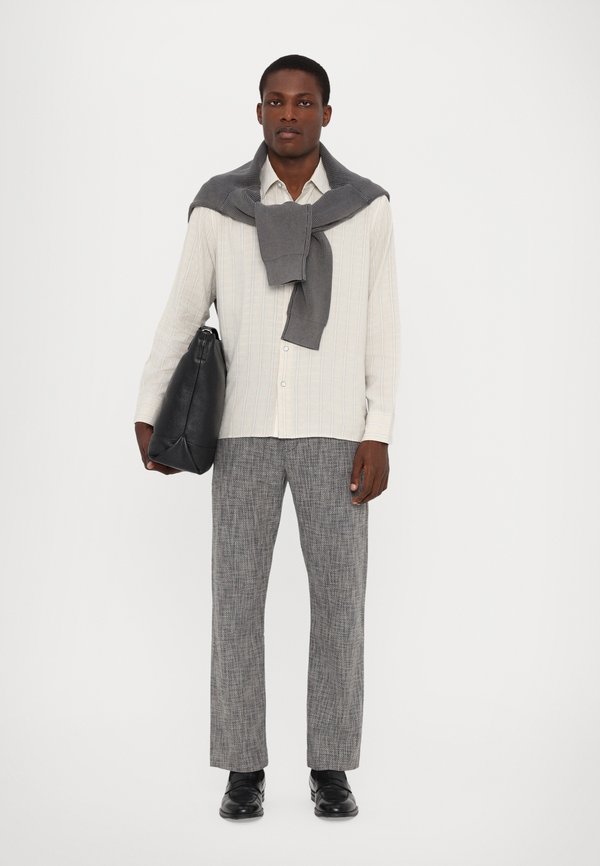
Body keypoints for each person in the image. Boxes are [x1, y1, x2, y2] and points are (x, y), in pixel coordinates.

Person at [134, 54, 400, 820]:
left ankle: (330, 768)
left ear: (325, 114)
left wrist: (378, 430)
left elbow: (383, 326)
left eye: (304, 102)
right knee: (236, 603)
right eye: (276, 101)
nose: (289, 114)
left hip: (335, 433)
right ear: (259, 113)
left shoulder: (366, 209)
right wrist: (149, 407)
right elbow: (183, 310)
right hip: (243, 432)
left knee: (340, 606)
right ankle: (242, 768)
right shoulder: (219, 209)